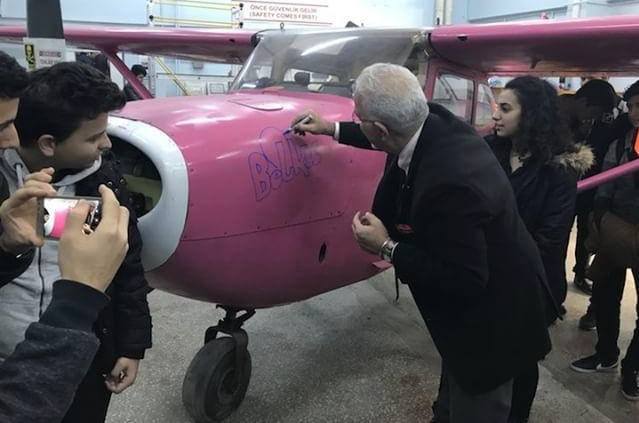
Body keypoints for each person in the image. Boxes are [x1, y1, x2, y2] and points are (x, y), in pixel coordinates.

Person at [292, 63, 554, 423]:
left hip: (493, 322)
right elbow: (383, 131)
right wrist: (331, 128)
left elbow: (465, 280)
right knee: (450, 399)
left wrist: (386, 247)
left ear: (380, 129)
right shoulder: (430, 120)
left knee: (477, 406)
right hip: (479, 306)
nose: (358, 122)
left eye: (358, 118)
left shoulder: (450, 182)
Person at [0, 61, 152, 423]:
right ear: (48, 144)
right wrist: (7, 246)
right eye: (93, 137)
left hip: (80, 358)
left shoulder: (106, 183)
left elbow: (129, 269)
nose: (107, 144)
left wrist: (131, 345)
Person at [487, 76, 593, 422]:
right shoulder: (489, 151)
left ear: (531, 113)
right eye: (497, 106)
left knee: (520, 363)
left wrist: (485, 250)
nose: (496, 115)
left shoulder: (558, 169)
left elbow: (549, 238)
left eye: (506, 108)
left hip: (531, 284)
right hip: (485, 276)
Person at [571, 80, 639, 402]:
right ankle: (606, 354)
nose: (636, 113)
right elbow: (605, 185)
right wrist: (599, 219)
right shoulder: (620, 143)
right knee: (605, 292)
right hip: (616, 229)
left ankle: (632, 369)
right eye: (634, 106)